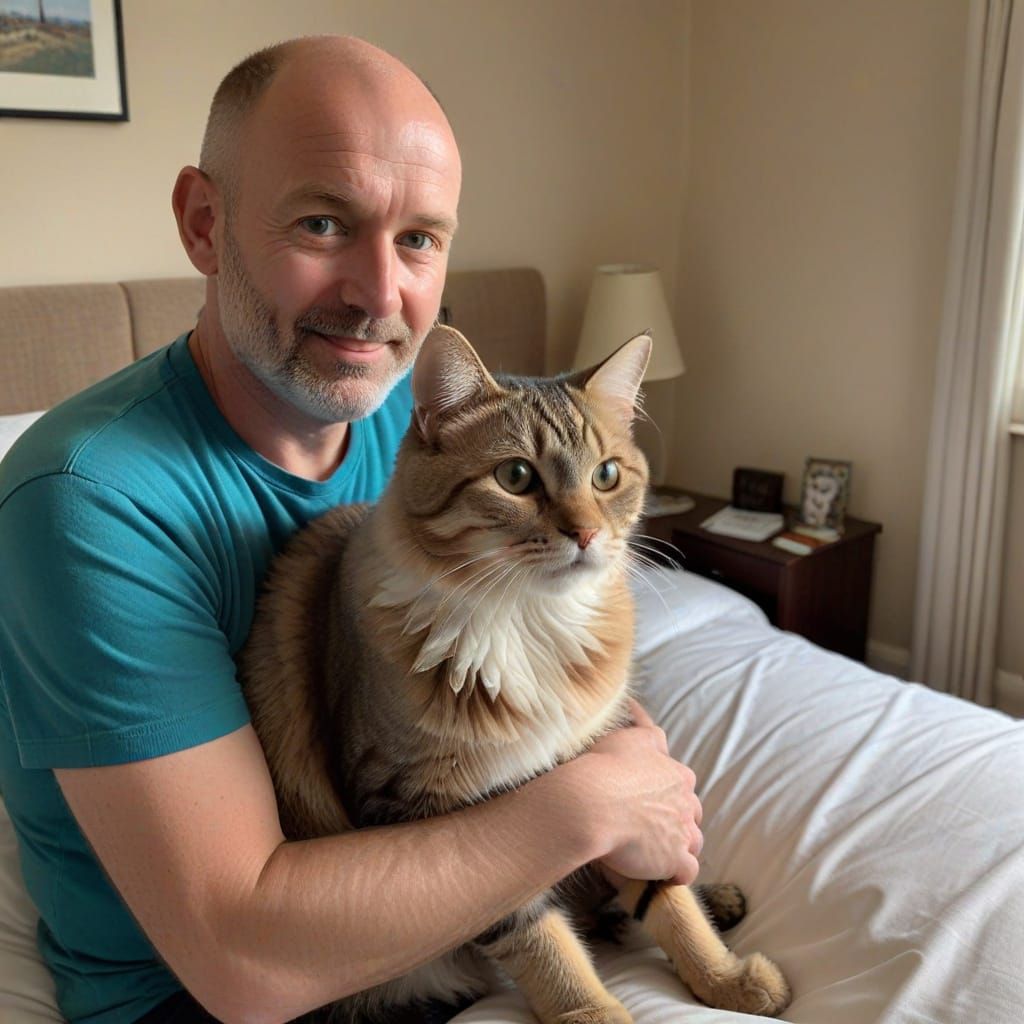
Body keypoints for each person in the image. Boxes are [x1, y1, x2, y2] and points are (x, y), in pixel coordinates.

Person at [0, 35, 703, 1024]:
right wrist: (588, 811)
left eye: (419, 238)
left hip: (458, 934)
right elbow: (243, 962)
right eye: (324, 222)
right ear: (205, 223)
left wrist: (624, 782)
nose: (381, 294)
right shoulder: (86, 499)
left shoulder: (418, 435)